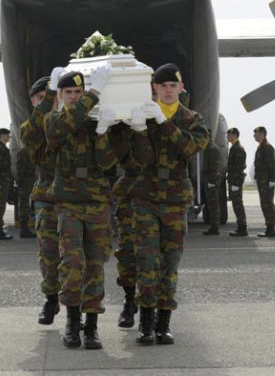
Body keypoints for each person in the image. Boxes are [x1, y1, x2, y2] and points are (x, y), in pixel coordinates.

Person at [128, 63, 209, 345]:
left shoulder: (192, 119)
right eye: (162, 86)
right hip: (146, 198)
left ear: (181, 88)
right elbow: (139, 158)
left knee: (170, 264)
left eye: (173, 86)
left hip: (175, 201)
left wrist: (165, 123)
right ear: (154, 88)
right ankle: (146, 323)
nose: (168, 90)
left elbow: (190, 147)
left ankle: (164, 323)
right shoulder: (144, 116)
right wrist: (139, 129)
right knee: (148, 262)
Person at [46, 67, 117, 350]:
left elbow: (107, 163)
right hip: (70, 204)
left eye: (79, 91)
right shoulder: (53, 121)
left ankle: (92, 327)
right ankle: (72, 323)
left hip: (97, 202)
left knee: (96, 264)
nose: (76, 97)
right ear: (60, 96)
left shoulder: (94, 121)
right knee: (72, 263)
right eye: (70, 93)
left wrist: (102, 133)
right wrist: (95, 93)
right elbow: (64, 126)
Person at [20, 74, 62, 325]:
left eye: (46, 97)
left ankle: (75, 306)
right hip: (48, 196)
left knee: (77, 257)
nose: (42, 102)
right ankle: (51, 298)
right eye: (37, 99)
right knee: (49, 252)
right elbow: (32, 132)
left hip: (76, 196)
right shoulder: (32, 128)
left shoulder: (70, 121)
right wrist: (48, 101)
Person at [108, 121, 142, 328]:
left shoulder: (165, 116)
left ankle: (151, 309)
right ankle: (130, 300)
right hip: (130, 194)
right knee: (128, 253)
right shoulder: (119, 126)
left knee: (158, 257)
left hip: (160, 195)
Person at [253, 126, 275, 237]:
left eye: (256, 134)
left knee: (267, 204)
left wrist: (272, 181)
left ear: (262, 134)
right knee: (264, 204)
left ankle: (271, 229)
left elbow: (272, 166)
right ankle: (269, 228)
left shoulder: (267, 148)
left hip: (266, 182)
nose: (254, 136)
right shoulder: (261, 147)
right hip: (262, 181)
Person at [0, 128, 14, 241]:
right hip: (1, 182)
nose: (8, 137)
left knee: (2, 206)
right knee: (0, 206)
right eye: (6, 135)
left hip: (5, 181)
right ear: (1, 136)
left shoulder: (4, 149)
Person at [226, 127, 248, 237]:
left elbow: (239, 168)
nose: (227, 137)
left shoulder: (238, 148)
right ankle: (241, 227)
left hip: (236, 181)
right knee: (236, 204)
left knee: (238, 204)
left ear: (234, 135)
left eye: (229, 135)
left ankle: (242, 228)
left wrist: (235, 183)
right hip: (233, 180)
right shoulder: (234, 147)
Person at [201, 136, 222, 236]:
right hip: (209, 181)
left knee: (214, 205)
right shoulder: (208, 149)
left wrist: (211, 182)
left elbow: (214, 168)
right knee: (211, 204)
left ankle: (215, 227)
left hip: (211, 181)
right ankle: (214, 226)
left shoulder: (213, 150)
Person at [16, 146, 37, 238]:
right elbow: (20, 169)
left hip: (28, 182)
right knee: (24, 206)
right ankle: (24, 229)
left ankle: (25, 228)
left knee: (26, 206)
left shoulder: (30, 150)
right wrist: (21, 183)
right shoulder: (24, 152)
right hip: (25, 183)